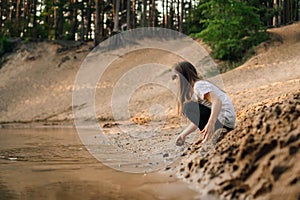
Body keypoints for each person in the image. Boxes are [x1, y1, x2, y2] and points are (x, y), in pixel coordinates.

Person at [172, 61, 236, 146]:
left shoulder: (199, 86)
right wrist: (183, 134)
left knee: (187, 107)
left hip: (225, 122)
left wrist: (211, 123)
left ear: (182, 76)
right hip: (226, 123)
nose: (173, 80)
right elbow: (199, 119)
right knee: (188, 107)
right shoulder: (196, 89)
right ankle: (211, 134)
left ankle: (213, 134)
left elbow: (217, 101)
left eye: (174, 77)